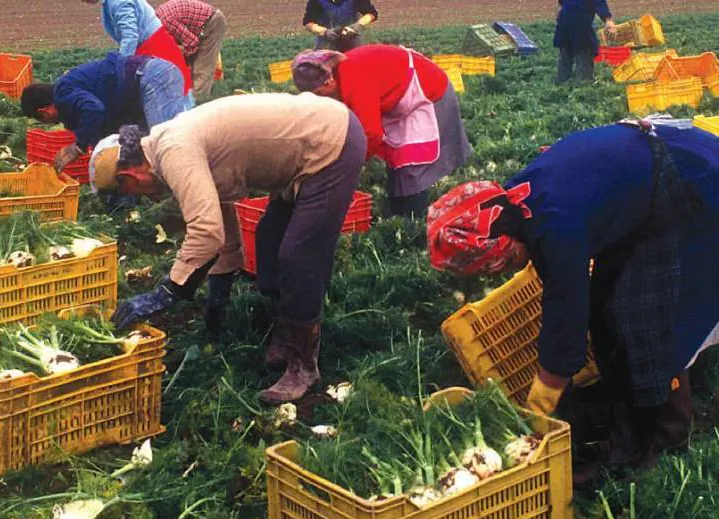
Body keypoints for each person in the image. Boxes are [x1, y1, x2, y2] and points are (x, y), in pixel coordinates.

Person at [426, 119, 719, 475]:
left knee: (652, 318)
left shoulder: (557, 225)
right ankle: (625, 409)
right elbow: (568, 295)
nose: (508, 270)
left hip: (692, 186)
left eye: (504, 264)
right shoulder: (519, 201)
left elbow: (566, 308)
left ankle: (663, 436)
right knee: (608, 306)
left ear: (506, 245)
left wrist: (545, 393)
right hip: (645, 190)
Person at [89, 93, 366, 404]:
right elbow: (220, 223)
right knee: (269, 239)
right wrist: (217, 297)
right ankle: (286, 335)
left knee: (298, 257)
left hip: (328, 144)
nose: (143, 200)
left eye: (131, 193)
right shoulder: (172, 149)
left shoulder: (173, 151)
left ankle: (304, 366)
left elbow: (205, 232)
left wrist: (166, 293)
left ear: (129, 176)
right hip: (305, 147)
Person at [292, 46, 471, 218]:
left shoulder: (355, 78)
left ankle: (413, 222)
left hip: (428, 91)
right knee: (397, 159)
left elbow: (371, 133)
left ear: (328, 82)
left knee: (412, 164)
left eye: (318, 92)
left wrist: (351, 164)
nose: (318, 98)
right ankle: (396, 213)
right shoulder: (339, 75)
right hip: (400, 97)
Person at [21, 52, 191, 172]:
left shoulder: (63, 93)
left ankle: (184, 197)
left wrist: (78, 146)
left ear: (44, 112)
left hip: (152, 79)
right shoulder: (68, 91)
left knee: (164, 147)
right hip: (151, 78)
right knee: (150, 144)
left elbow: (94, 109)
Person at [82, 0, 194, 104]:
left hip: (155, 48)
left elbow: (130, 36)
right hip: (146, 46)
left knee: (169, 91)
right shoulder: (108, 3)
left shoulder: (118, 1)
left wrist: (120, 66)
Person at [156, 0, 226, 102]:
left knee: (201, 68)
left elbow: (192, 42)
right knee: (194, 67)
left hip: (212, 24)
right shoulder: (158, 16)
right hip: (201, 26)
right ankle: (192, 96)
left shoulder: (166, 21)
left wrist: (183, 59)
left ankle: (197, 103)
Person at [554, 0, 616, 84]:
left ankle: (563, 85)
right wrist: (607, 19)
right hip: (579, 27)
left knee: (566, 57)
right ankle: (581, 86)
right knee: (583, 54)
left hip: (566, 23)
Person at [303, 0, 377, 52]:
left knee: (358, 66)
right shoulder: (316, 1)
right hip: (327, 41)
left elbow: (371, 13)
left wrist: (358, 25)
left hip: (352, 37)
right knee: (321, 69)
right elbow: (308, 22)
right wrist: (325, 32)